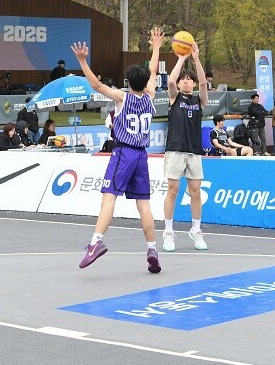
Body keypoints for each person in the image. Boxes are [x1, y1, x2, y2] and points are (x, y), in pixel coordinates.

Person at [74, 28, 164, 273]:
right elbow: (153, 70)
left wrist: (82, 60)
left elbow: (96, 84)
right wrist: (156, 47)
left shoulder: (122, 98)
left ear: (127, 82)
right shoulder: (150, 97)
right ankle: (152, 248)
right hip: (142, 155)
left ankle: (96, 243)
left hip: (124, 153)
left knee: (109, 197)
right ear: (146, 82)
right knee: (144, 205)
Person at [163, 39, 209, 253]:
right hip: (175, 149)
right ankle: (168, 232)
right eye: (184, 80)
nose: (186, 82)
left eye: (189, 80)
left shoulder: (199, 101)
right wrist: (181, 58)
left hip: (194, 151)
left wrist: (196, 59)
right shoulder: (175, 97)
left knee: (195, 191)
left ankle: (196, 230)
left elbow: (204, 84)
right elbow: (170, 81)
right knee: (173, 190)